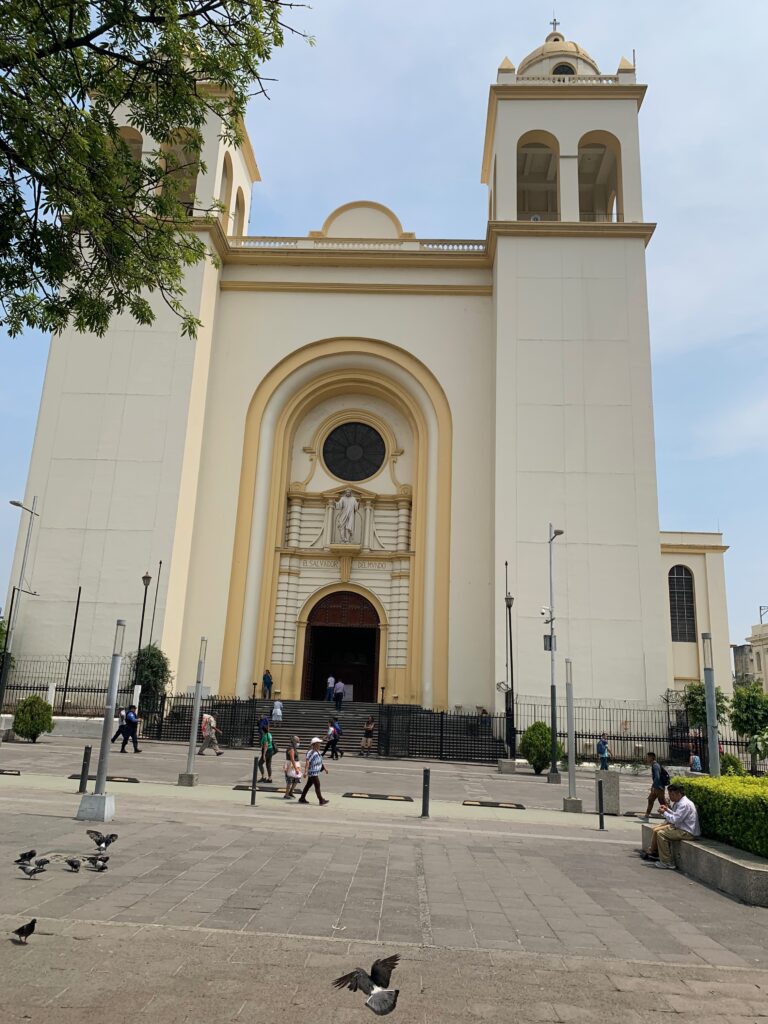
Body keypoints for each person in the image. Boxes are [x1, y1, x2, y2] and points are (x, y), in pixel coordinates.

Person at [641, 783, 700, 869]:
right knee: (657, 830)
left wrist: (664, 812)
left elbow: (674, 820)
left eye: (671, 795)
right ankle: (655, 853)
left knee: (661, 834)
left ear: (678, 794)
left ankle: (667, 862)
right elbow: (676, 815)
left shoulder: (684, 804)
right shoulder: (680, 802)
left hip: (687, 832)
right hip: (681, 828)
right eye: (669, 794)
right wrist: (667, 810)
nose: (670, 797)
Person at [298, 737, 329, 805]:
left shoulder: (318, 751)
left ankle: (302, 798)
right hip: (313, 772)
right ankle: (321, 800)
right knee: (317, 785)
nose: (320, 744)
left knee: (308, 785)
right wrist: (305, 771)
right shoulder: (311, 752)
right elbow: (307, 761)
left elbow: (320, 761)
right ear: (315, 744)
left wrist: (325, 768)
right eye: (319, 743)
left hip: (315, 771)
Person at [642, 751, 669, 820]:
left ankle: (671, 815)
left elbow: (657, 777)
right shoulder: (655, 765)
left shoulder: (655, 766)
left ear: (651, 757)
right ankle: (646, 815)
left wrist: (653, 787)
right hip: (658, 787)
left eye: (648, 757)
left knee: (662, 802)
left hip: (658, 787)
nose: (647, 759)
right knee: (651, 800)